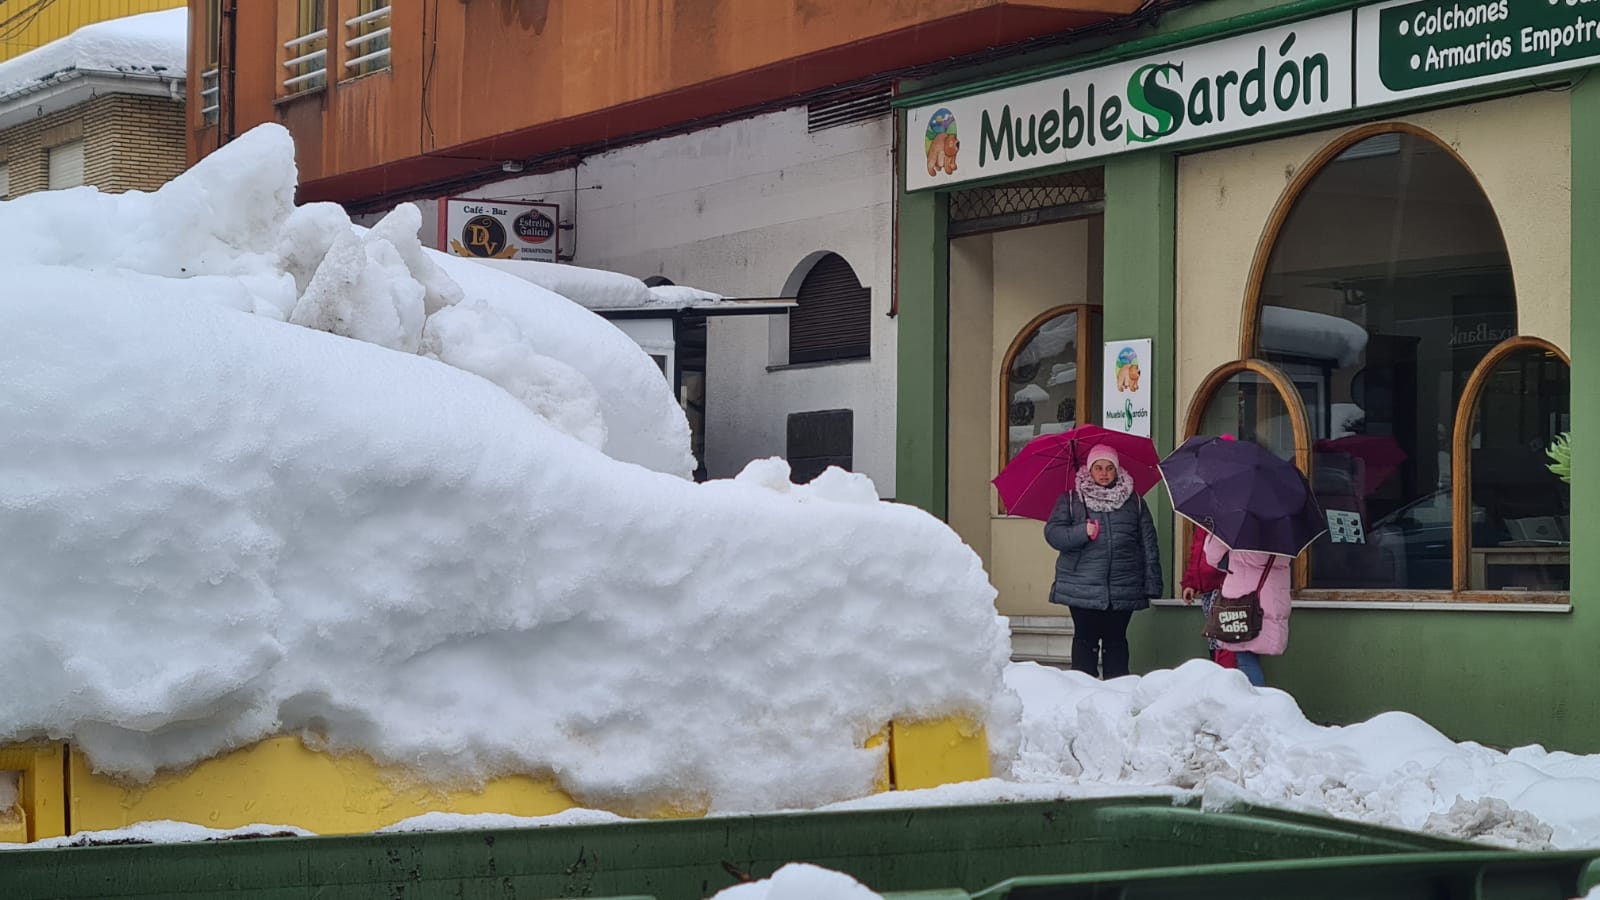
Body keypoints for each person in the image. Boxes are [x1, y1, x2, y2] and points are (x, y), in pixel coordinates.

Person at [1044, 445, 1163, 679]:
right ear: (1089, 470)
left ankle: (1117, 691)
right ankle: (1081, 692)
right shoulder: (1071, 500)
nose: (1104, 473)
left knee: (1116, 641)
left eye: (1109, 468)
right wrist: (1081, 532)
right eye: (1098, 468)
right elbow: (1053, 534)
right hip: (1082, 586)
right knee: (1085, 641)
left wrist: (1152, 584)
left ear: (1117, 470)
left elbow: (1148, 545)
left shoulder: (1135, 503)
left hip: (1124, 585)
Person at [1202, 533, 1290, 687]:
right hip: (1272, 599)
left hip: (1243, 600)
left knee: (1245, 659)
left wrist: (1212, 533)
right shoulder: (1284, 530)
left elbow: (1212, 556)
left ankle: (1257, 706)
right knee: (1250, 656)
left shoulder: (1240, 523)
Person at [1180, 526, 1237, 670]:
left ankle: (1225, 680)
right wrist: (1191, 583)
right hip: (1207, 589)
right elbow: (1197, 553)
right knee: (1214, 640)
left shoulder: (1230, 519)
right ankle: (1217, 677)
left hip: (1225, 587)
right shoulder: (1206, 520)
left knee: (1224, 641)